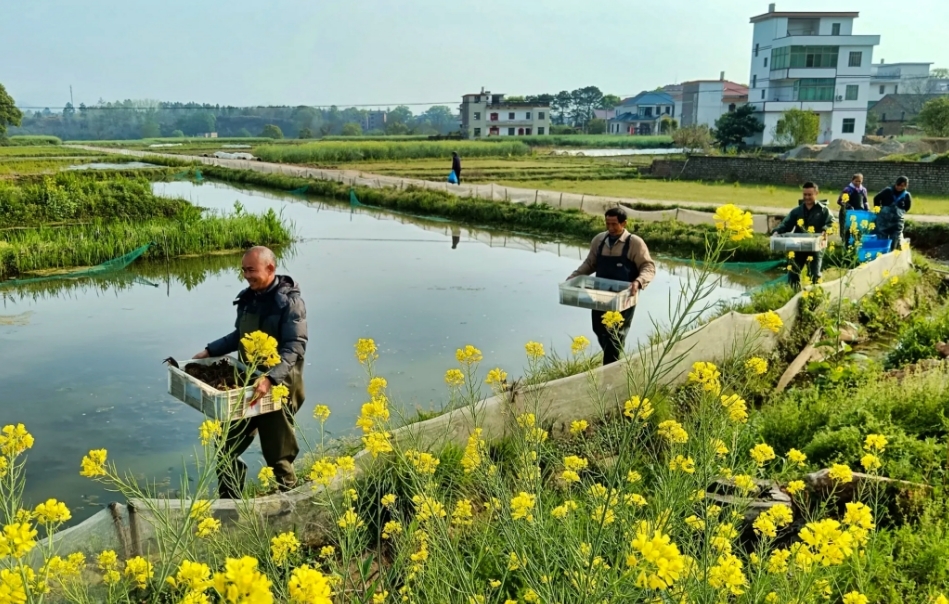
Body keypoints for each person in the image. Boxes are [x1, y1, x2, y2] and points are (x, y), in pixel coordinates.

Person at [192, 246, 308, 498]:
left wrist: (270, 378)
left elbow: (294, 347)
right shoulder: (247, 299)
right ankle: (229, 502)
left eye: (251, 270)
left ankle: (290, 501)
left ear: (270, 268)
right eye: (243, 270)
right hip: (245, 384)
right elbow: (240, 336)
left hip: (279, 386)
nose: (246, 275)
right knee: (225, 445)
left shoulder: (290, 302)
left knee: (278, 454)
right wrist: (210, 350)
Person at [568, 208, 656, 365]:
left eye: (614, 224)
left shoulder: (634, 242)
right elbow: (590, 263)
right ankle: (614, 363)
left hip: (625, 297)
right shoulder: (599, 240)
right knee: (599, 329)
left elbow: (648, 266)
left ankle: (610, 370)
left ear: (624, 223)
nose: (610, 228)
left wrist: (638, 282)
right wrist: (574, 276)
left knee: (615, 334)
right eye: (607, 223)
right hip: (600, 295)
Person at [771, 182, 834, 288]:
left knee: (814, 274)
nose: (807, 197)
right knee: (793, 272)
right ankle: (794, 295)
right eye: (805, 195)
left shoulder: (823, 210)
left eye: (810, 194)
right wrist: (777, 232)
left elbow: (831, 223)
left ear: (816, 193)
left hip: (816, 247)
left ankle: (815, 296)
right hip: (798, 246)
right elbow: (786, 224)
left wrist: (825, 231)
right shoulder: (797, 211)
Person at [873, 176, 912, 251]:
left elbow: (907, 207)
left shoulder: (907, 195)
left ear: (906, 186)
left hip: (897, 222)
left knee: (895, 238)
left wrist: (900, 212)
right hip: (884, 220)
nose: (900, 187)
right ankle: (881, 253)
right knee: (882, 236)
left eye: (902, 186)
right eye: (898, 185)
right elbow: (876, 198)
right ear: (896, 184)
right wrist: (877, 210)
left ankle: (893, 253)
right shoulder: (888, 191)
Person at [836, 173, 868, 249]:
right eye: (856, 181)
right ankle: (846, 248)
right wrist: (849, 207)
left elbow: (865, 201)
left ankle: (856, 248)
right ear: (852, 180)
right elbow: (840, 201)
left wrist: (867, 209)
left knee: (858, 232)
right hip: (847, 213)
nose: (858, 183)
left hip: (859, 214)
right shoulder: (847, 189)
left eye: (860, 181)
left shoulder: (863, 190)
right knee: (846, 232)